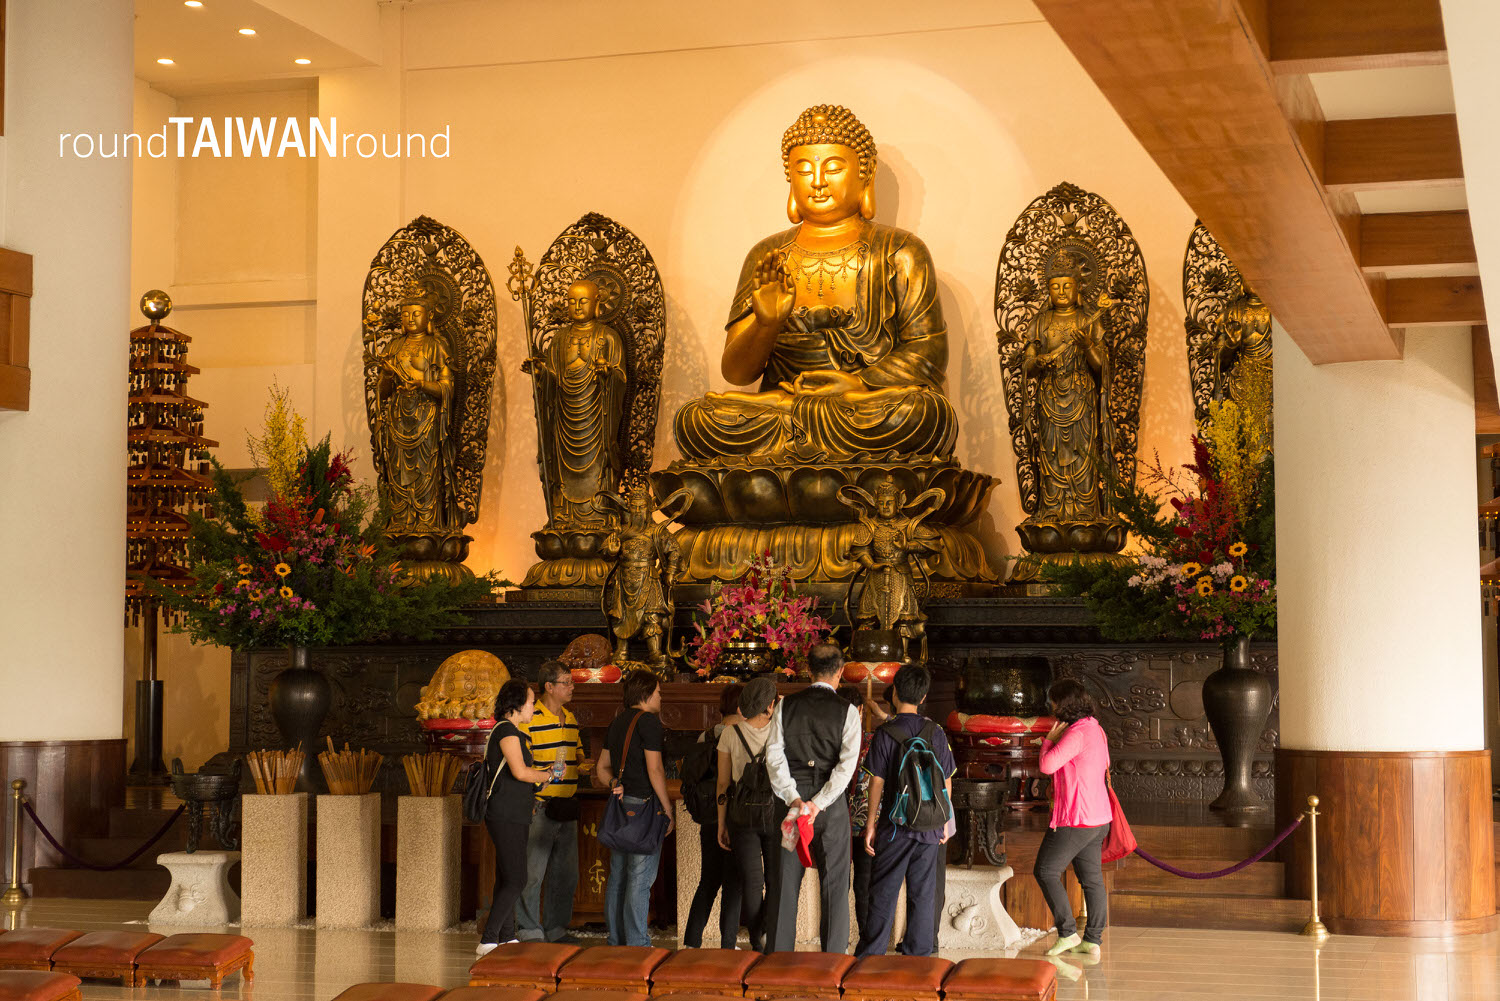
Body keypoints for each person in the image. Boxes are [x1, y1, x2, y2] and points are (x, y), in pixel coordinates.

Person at [764, 643, 862, 953]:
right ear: (841, 672)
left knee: (783, 887)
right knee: (834, 887)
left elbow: (773, 757)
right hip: (829, 810)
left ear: (808, 671)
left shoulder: (785, 706)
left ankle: (778, 963)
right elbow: (847, 766)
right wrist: (818, 804)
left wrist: (795, 799)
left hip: (789, 807)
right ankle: (832, 963)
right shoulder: (847, 711)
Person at [856, 665, 954, 958]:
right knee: (923, 893)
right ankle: (919, 955)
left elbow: (877, 781)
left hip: (895, 825)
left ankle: (871, 954)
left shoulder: (885, 733)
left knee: (884, 890)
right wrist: (945, 822)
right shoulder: (936, 732)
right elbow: (946, 780)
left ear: (895, 692)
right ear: (923, 696)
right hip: (930, 825)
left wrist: (871, 823)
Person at [478, 680, 564, 955]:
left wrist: (542, 777)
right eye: (530, 701)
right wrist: (547, 775)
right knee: (517, 878)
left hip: (512, 812)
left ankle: (506, 936)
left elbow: (521, 776)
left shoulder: (511, 731)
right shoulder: (507, 731)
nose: (533, 707)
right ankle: (488, 938)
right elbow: (520, 772)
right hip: (506, 814)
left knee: (507, 876)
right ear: (515, 705)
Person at [595, 669, 675, 947]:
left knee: (618, 876)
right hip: (643, 807)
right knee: (640, 880)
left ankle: (616, 939)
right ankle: (638, 943)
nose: (661, 697)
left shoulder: (617, 723)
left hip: (620, 806)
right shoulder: (649, 722)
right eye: (658, 692)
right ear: (645, 694)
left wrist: (614, 782)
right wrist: (667, 808)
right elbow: (655, 769)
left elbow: (601, 768)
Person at [1035, 678, 1112, 958]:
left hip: (1076, 818)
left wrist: (1048, 742)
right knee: (1091, 879)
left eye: (1053, 702)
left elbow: (1047, 765)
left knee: (1045, 871)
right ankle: (1092, 940)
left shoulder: (1076, 733)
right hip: (1099, 818)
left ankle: (1067, 933)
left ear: (1063, 705)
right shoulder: (1096, 728)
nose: (1052, 707)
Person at [518, 660, 582, 943]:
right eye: (566, 682)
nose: (571, 687)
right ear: (549, 687)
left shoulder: (571, 718)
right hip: (540, 806)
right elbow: (520, 763)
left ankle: (557, 930)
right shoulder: (531, 719)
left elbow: (578, 755)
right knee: (533, 874)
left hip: (566, 806)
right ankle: (529, 930)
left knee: (565, 875)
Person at [716, 677, 780, 952]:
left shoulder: (730, 733)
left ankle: (756, 939)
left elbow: (723, 783)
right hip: (776, 812)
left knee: (752, 883)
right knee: (777, 879)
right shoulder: (780, 731)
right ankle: (767, 932)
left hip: (741, 816)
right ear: (768, 706)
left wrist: (722, 822)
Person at [683, 683, 745, 949]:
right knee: (734, 883)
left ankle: (691, 942)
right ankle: (728, 945)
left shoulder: (705, 736)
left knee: (708, 881)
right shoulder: (740, 736)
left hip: (708, 816)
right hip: (733, 816)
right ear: (743, 707)